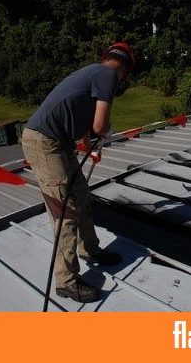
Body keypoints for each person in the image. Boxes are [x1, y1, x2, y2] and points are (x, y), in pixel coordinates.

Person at [21, 42, 135, 303]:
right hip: (46, 143)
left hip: (58, 143)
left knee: (81, 195)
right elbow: (100, 126)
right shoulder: (108, 76)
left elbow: (84, 122)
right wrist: (105, 130)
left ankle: (90, 250)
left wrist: (88, 138)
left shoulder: (94, 73)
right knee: (66, 210)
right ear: (125, 71)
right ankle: (66, 281)